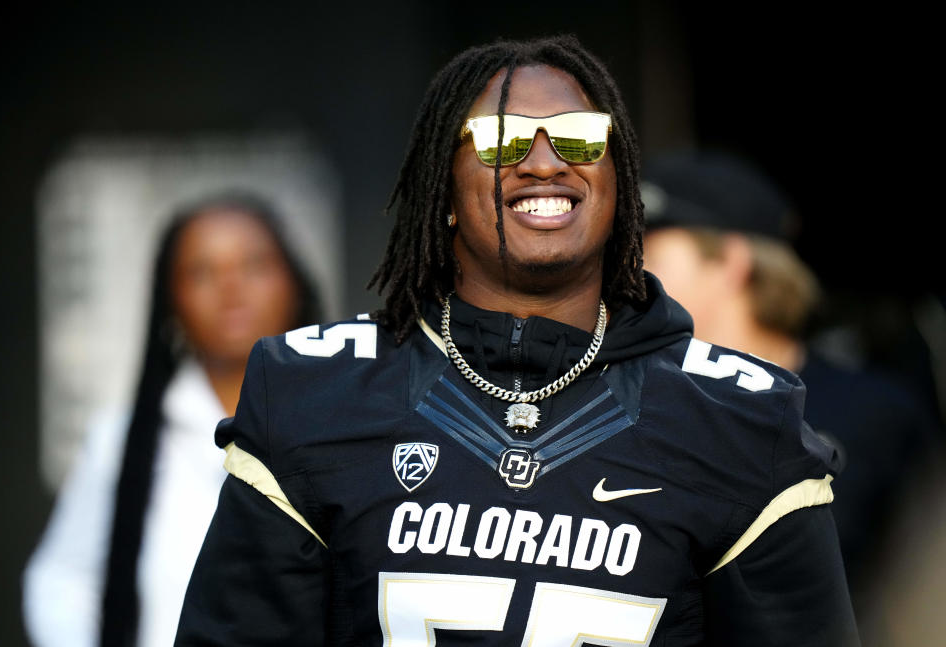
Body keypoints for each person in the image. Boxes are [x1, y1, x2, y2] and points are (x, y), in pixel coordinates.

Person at [176, 36, 859, 646]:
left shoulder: (744, 421)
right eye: (503, 141)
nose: (544, 162)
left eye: (580, 138)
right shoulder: (313, 395)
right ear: (442, 186)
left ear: (617, 183)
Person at [641, 149, 938, 644]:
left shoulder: (877, 414)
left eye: (651, 256)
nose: (632, 277)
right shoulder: (633, 400)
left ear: (731, 263)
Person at [23, 191, 323, 647]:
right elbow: (62, 582)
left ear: (294, 282)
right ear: (171, 301)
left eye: (255, 264)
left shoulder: (347, 423)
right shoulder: (121, 443)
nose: (231, 288)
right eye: (202, 272)